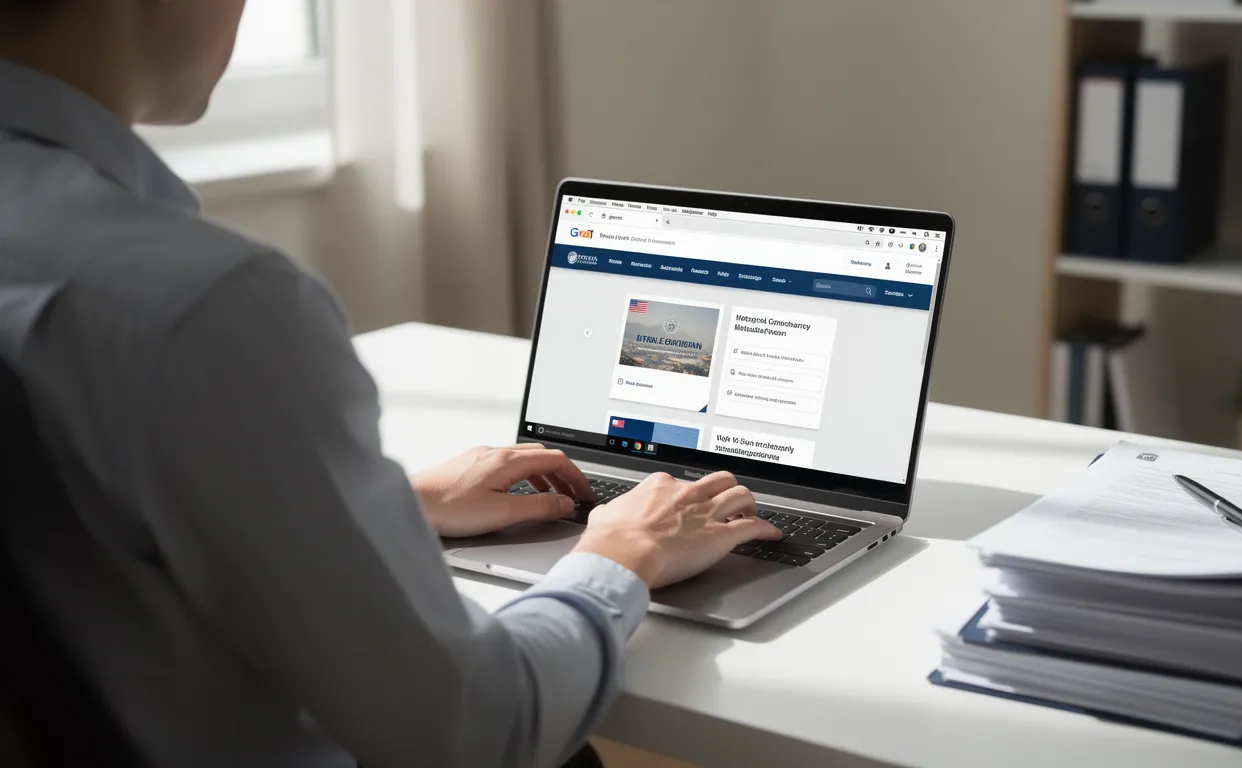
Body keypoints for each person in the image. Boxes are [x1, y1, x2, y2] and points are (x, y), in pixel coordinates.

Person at [0, 2, 781, 767]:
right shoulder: (204, 305)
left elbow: (78, 523)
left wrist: (386, 508)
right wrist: (623, 555)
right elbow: (482, 730)